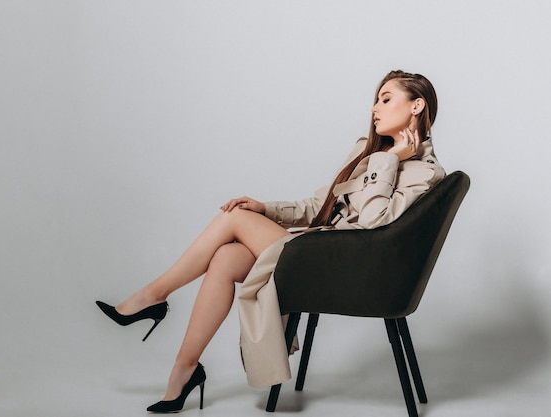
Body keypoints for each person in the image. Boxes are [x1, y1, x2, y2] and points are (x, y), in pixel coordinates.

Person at [96, 70, 446, 413]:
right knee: (225, 258)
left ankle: (153, 297)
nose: (374, 109)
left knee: (232, 219)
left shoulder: (425, 172)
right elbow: (318, 208)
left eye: (386, 99)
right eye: (375, 101)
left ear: (416, 107)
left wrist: (389, 161)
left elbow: (373, 223)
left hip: (351, 270)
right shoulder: (366, 151)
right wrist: (265, 208)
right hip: (321, 254)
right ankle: (184, 372)